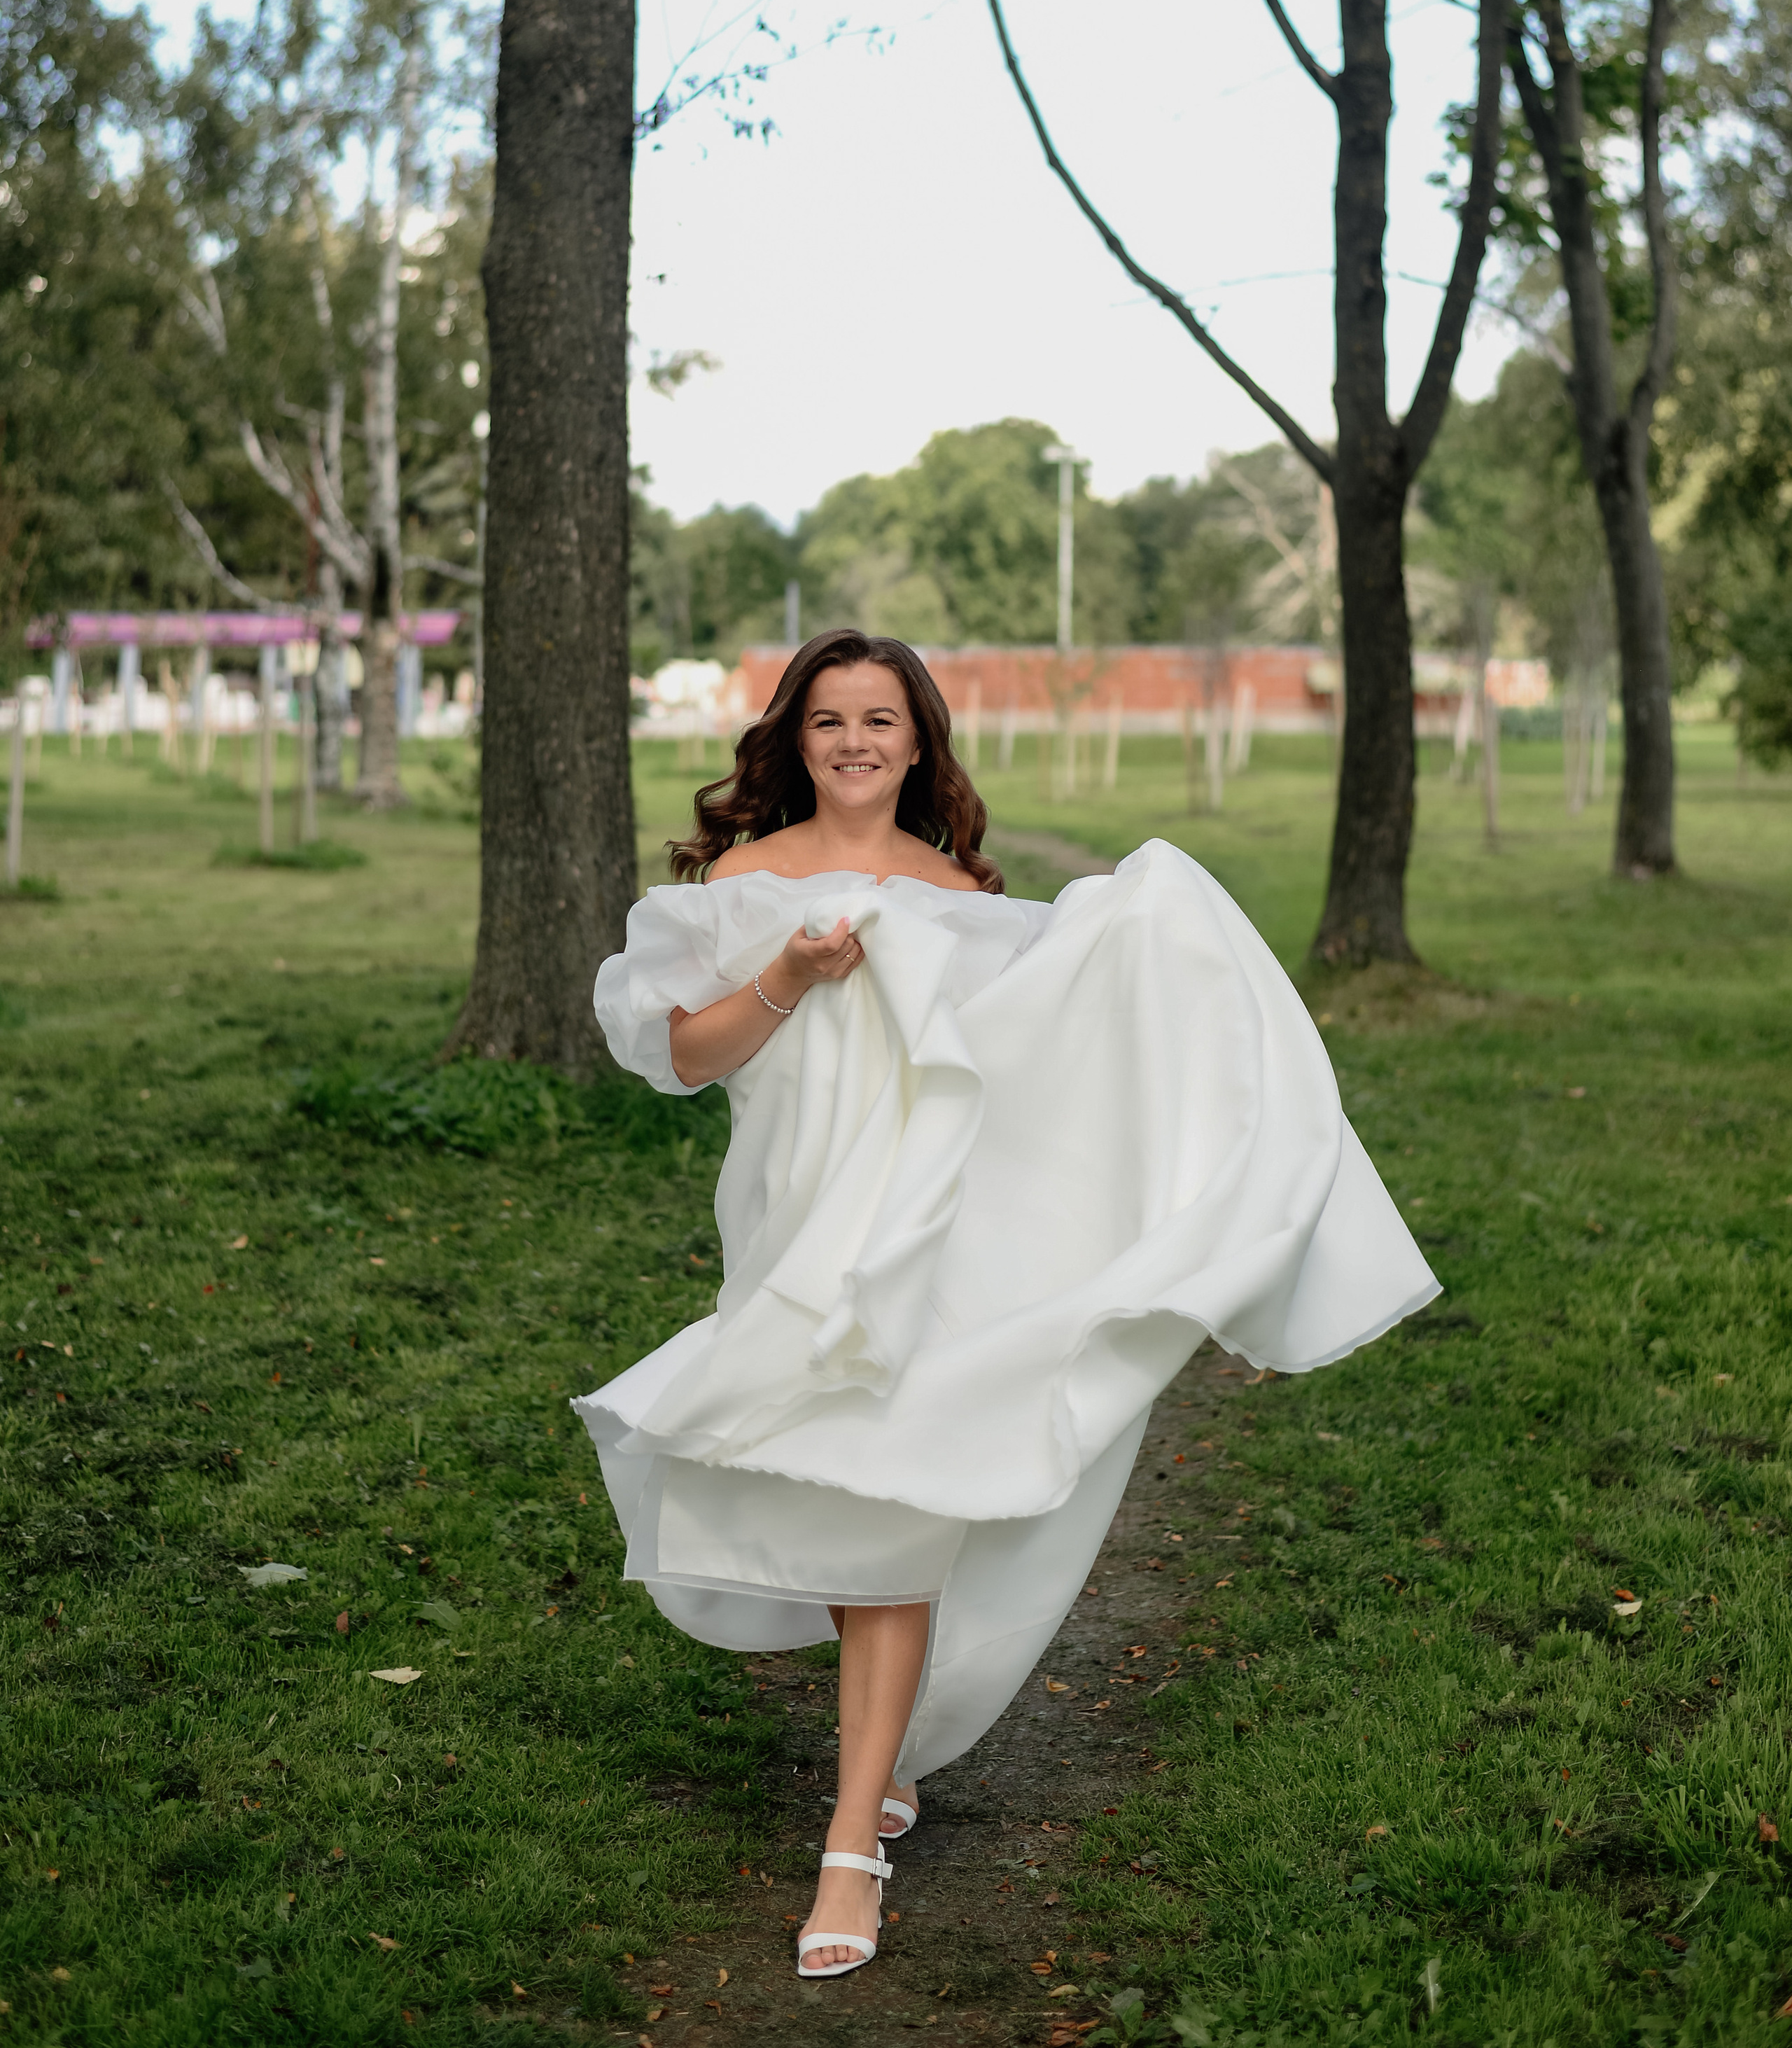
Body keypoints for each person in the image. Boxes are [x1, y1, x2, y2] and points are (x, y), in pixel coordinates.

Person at [575, 629, 1436, 1979]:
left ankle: (852, 1841)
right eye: (827, 720)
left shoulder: (968, 896)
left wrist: (1147, 940)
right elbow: (682, 1055)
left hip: (935, 1241)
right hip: (795, 1230)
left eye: (880, 718)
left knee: (895, 1503)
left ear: (920, 740)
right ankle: (892, 1758)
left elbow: (1044, 1052)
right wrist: (790, 975)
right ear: (792, 741)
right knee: (837, 1490)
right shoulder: (740, 883)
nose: (855, 740)